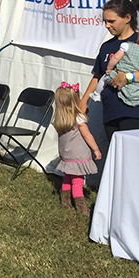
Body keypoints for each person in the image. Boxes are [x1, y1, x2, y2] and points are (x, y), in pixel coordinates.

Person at [79, 0, 139, 142]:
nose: (107, 25)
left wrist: (128, 77)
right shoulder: (107, 46)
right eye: (105, 21)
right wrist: (84, 101)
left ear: (127, 18)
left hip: (136, 110)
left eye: (111, 21)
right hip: (111, 111)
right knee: (116, 154)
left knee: (133, 154)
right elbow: (99, 75)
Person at [52, 82, 101, 216]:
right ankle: (82, 209)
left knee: (68, 177)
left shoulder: (60, 118)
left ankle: (65, 202)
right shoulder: (79, 118)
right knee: (78, 182)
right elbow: (87, 135)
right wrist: (96, 149)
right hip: (78, 156)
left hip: (66, 155)